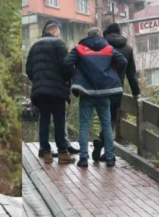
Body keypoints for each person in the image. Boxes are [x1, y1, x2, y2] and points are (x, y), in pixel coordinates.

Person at [64, 27, 127, 167]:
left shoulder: (80, 48)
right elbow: (123, 62)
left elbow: (67, 63)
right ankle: (110, 158)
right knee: (106, 125)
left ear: (88, 36)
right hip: (104, 93)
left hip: (86, 93)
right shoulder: (108, 48)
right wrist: (111, 75)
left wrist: (77, 76)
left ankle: (83, 159)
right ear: (100, 36)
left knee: (84, 125)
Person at [25, 19, 76, 164]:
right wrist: (68, 78)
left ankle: (46, 152)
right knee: (59, 120)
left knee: (44, 119)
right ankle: (62, 153)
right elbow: (66, 67)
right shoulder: (58, 44)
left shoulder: (34, 46)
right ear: (54, 32)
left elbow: (29, 70)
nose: (59, 35)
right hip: (56, 90)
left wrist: (39, 79)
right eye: (58, 33)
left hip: (40, 91)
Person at [92, 23, 141, 162]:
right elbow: (131, 75)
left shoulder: (102, 45)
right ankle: (106, 149)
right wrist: (136, 92)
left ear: (106, 33)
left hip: (100, 88)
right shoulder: (128, 48)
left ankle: (103, 144)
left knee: (104, 119)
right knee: (111, 120)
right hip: (116, 90)